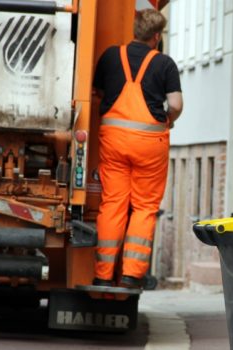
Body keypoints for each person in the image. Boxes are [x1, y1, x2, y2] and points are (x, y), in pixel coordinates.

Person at [92, 8, 183, 289]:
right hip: (149, 145)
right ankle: (132, 273)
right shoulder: (165, 64)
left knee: (113, 203)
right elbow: (176, 104)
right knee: (143, 206)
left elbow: (97, 93)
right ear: (156, 37)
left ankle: (103, 274)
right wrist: (169, 119)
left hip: (114, 142)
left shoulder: (110, 56)